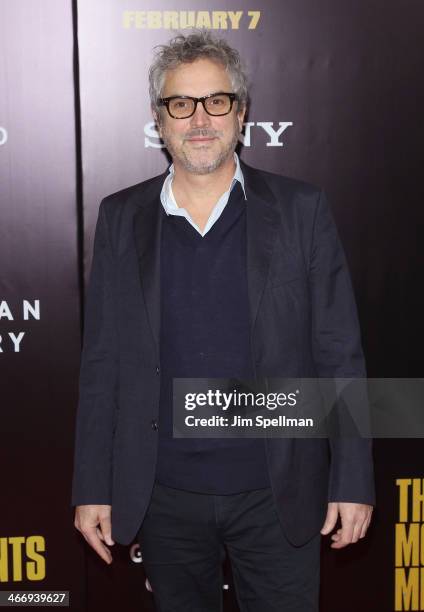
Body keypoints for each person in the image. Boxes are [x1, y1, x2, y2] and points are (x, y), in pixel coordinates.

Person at [72, 30, 375, 612]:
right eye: (180, 104)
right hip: (163, 496)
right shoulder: (120, 218)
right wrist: (91, 484)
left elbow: (340, 353)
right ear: (160, 121)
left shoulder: (301, 210)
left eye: (217, 101)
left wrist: (353, 480)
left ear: (241, 113)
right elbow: (102, 363)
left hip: (278, 490)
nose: (200, 120)